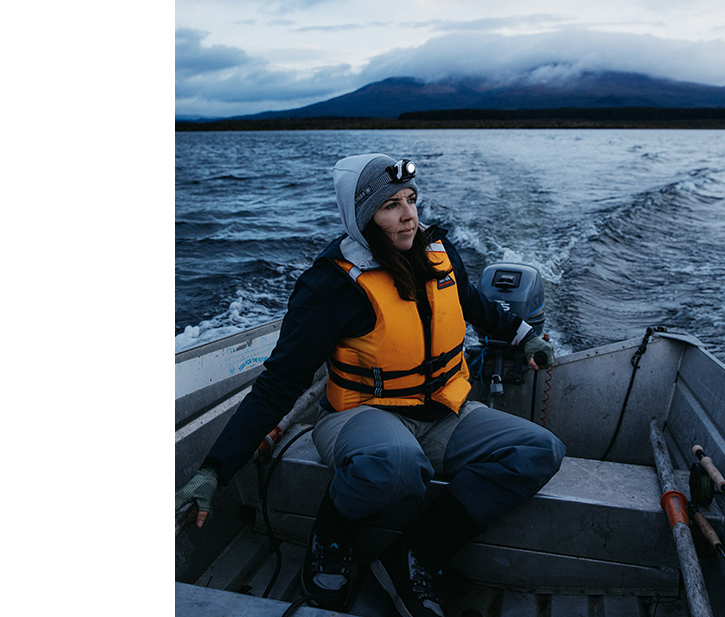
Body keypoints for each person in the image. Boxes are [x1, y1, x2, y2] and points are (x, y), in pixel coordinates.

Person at [175, 153, 566, 617]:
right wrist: (215, 469)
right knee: (399, 465)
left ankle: (413, 556)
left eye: (411, 200)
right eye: (390, 207)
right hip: (360, 416)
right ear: (362, 218)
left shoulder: (438, 253)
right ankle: (332, 540)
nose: (408, 215)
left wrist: (525, 339)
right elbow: (279, 384)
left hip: (443, 410)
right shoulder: (331, 287)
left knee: (540, 450)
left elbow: (472, 304)